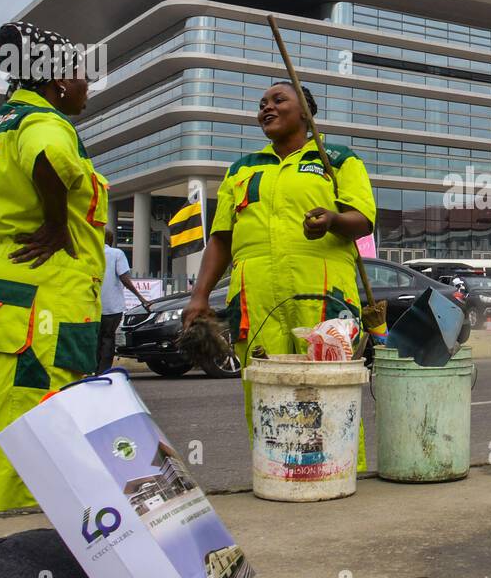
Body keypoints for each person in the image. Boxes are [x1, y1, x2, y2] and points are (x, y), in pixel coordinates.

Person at [0, 22, 108, 518]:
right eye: (79, 77)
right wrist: (52, 225)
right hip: (35, 290)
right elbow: (49, 159)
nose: (85, 87)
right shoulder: (43, 122)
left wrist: (4, 226)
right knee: (33, 421)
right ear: (56, 83)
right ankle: (24, 553)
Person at [182, 78, 376, 464]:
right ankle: (276, 468)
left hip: (323, 292)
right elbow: (220, 238)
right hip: (255, 295)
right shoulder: (242, 169)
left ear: (305, 110)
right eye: (261, 103)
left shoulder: (336, 158)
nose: (266, 108)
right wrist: (200, 295)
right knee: (265, 385)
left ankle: (337, 467)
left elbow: (364, 219)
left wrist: (334, 219)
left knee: (328, 384)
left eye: (278, 99)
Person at [98, 227, 152, 372]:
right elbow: (125, 279)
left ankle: (92, 369)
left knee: (95, 339)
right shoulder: (116, 254)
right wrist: (141, 298)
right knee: (108, 338)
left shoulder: (90, 253)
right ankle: (103, 372)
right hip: (112, 306)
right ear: (111, 240)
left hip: (92, 306)